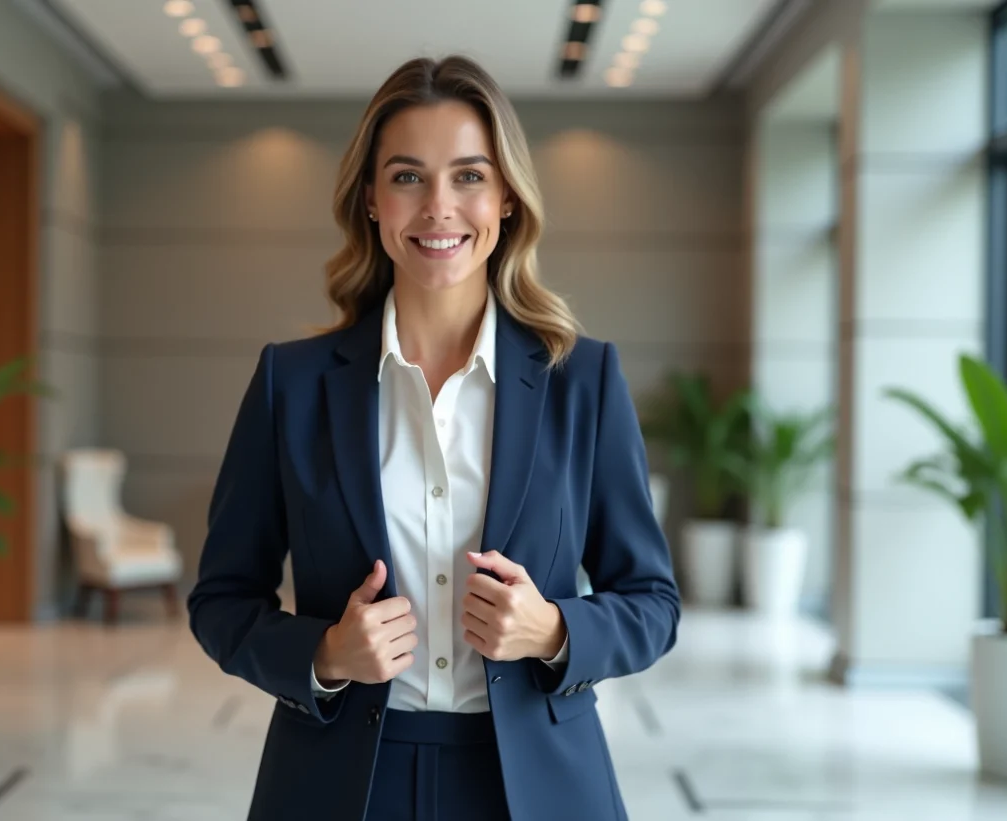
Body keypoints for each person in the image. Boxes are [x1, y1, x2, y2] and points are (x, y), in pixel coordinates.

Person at [187, 54, 681, 821]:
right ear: (372, 202)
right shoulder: (293, 383)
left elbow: (653, 603)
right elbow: (221, 599)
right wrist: (322, 656)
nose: (439, 207)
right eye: (408, 176)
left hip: (539, 787)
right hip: (340, 786)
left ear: (508, 198)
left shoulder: (581, 379)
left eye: (470, 176)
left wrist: (555, 629)